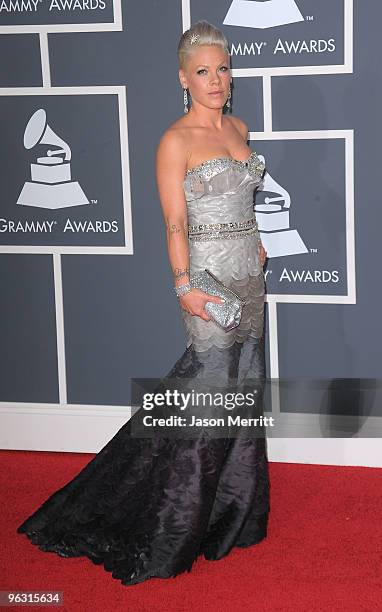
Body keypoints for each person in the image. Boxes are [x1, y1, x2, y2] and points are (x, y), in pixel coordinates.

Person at [16, 20, 270, 587]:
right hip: (205, 281)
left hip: (251, 281)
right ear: (183, 78)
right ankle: (172, 528)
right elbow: (175, 222)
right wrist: (186, 288)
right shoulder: (175, 140)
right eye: (203, 72)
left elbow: (240, 201)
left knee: (244, 395)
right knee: (203, 402)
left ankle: (231, 517)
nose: (216, 80)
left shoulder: (239, 127)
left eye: (223, 69)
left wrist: (254, 240)